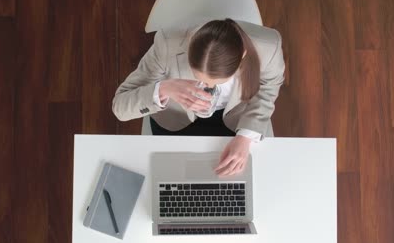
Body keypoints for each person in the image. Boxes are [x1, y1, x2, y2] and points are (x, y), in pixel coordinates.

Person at [112, 18, 285, 176]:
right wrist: (164, 88)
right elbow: (120, 107)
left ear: (242, 56)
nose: (208, 89)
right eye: (200, 79)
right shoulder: (167, 45)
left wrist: (245, 137)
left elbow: (269, 86)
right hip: (176, 121)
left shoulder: (269, 46)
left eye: (217, 83)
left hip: (238, 119)